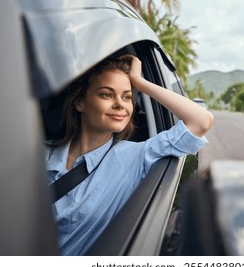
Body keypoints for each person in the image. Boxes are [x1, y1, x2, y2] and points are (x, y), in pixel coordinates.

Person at [45, 55, 214, 255]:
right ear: (80, 102)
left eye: (127, 97)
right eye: (107, 94)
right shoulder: (40, 153)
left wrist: (139, 82)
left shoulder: (135, 157)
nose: (120, 104)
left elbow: (201, 120)